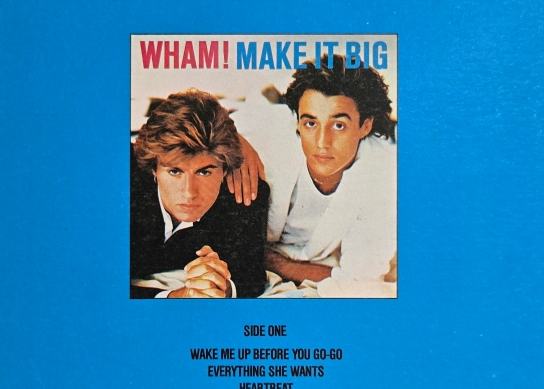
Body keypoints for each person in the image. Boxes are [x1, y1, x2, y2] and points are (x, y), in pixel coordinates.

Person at [233, 57, 396, 295]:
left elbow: (358, 278)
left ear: (365, 126)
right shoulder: (272, 129)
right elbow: (207, 118)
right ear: (297, 121)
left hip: (310, 263)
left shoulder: (383, 175)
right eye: (310, 123)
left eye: (338, 125)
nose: (322, 142)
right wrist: (236, 140)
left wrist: (277, 264)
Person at [130, 90, 269, 298]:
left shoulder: (242, 195)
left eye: (204, 172)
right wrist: (176, 296)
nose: (189, 192)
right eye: (175, 172)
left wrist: (222, 286)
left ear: (225, 170)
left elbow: (251, 278)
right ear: (153, 170)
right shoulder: (121, 185)